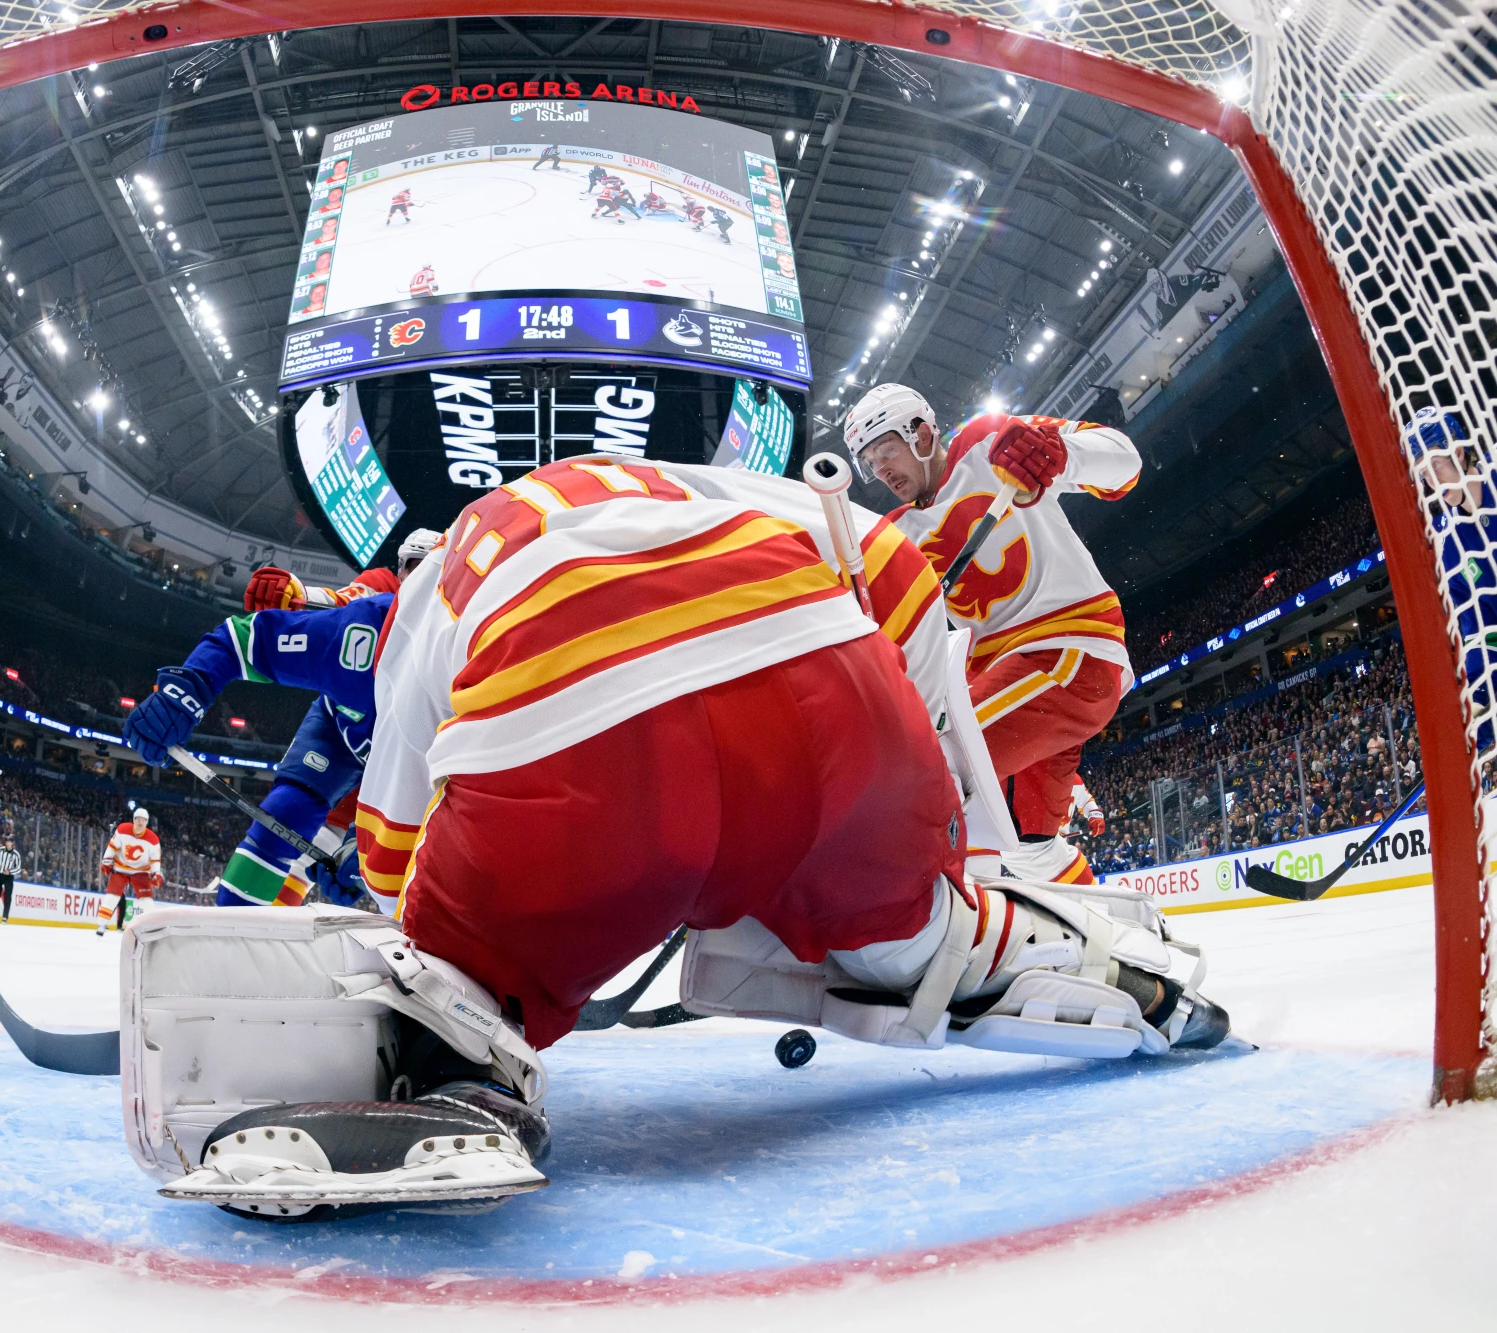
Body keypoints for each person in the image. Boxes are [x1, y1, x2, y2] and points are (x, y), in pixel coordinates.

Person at [125, 457, 1224, 1214]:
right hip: (826, 685)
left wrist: (434, 940)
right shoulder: (704, 488)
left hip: (570, 729)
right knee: (912, 934)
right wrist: (948, 834)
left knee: (453, 980)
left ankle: (450, 1069)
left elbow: (393, 852)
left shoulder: (436, 581)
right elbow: (893, 575)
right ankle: (1046, 958)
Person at [846, 383, 1140, 885]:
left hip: (1069, 652)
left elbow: (1124, 461)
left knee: (930, 766)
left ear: (921, 435)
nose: (881, 472)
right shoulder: (894, 536)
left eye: (886, 451)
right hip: (1008, 683)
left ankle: (922, 926)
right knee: (1030, 849)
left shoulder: (992, 443)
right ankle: (1128, 942)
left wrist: (1060, 452)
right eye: (870, 463)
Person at [208, 529, 443, 907]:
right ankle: (237, 926)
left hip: (398, 757)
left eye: (431, 570)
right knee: (292, 826)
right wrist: (298, 595)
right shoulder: (382, 589)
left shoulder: (458, 621)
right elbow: (343, 601)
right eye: (414, 569)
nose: (421, 581)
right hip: (345, 734)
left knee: (354, 860)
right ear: (400, 573)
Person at [1403, 406, 1497, 749]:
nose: (1432, 482)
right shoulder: (1451, 547)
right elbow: (1481, 637)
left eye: (1435, 466)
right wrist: (1478, 711)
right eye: (1424, 474)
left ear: (1458, 451)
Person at [98, 806, 161, 933]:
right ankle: (101, 925)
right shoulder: (122, 829)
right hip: (120, 869)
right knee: (112, 897)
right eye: (138, 819)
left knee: (146, 901)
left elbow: (155, 860)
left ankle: (155, 928)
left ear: (146, 822)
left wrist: (156, 874)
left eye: (143, 820)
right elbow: (112, 847)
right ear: (134, 820)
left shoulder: (153, 839)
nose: (140, 822)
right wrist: (106, 861)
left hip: (141, 872)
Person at [0, 838, 21, 923]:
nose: (8, 843)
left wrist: (10, 872)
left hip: (8, 877)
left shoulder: (16, 854)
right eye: (7, 842)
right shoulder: (0, 850)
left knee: (8, 896)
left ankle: (5, 917)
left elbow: (18, 868)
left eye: (9, 842)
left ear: (12, 843)